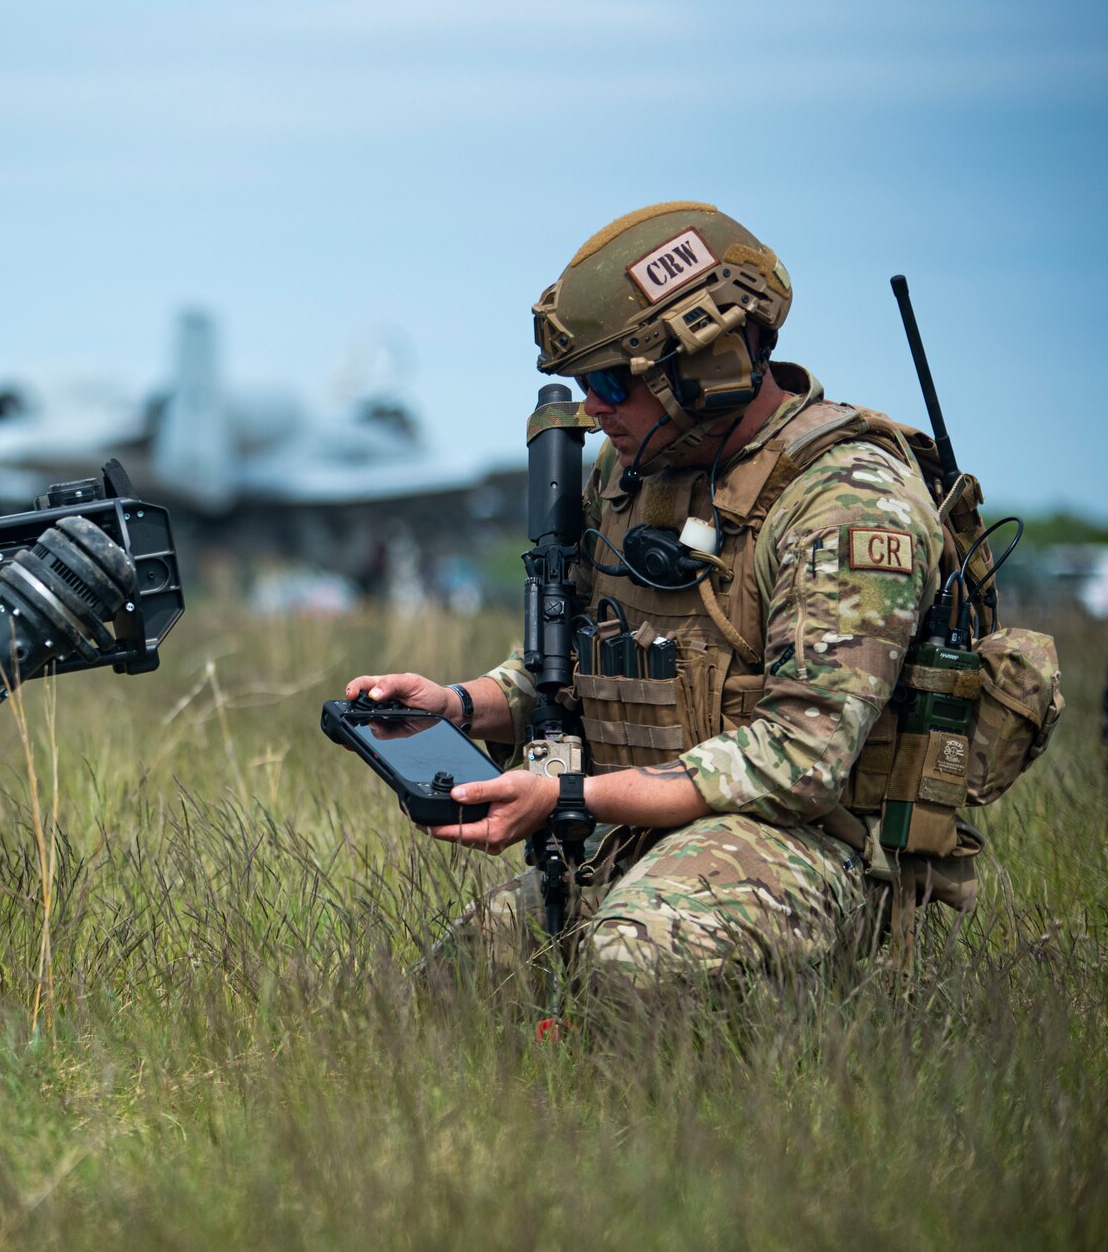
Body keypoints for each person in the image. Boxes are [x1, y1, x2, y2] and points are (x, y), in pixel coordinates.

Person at [349, 201, 966, 991]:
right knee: (471, 976)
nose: (593, 407)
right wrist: (456, 705)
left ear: (708, 364)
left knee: (635, 962)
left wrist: (567, 793)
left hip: (814, 845)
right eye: (581, 384)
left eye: (611, 381)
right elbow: (568, 665)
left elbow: (802, 761)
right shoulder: (627, 473)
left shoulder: (846, 499)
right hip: (643, 831)